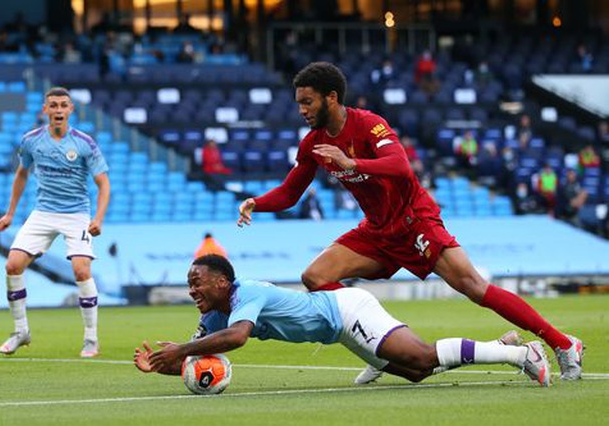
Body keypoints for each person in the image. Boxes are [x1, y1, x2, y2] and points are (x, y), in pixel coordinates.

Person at [236, 62, 582, 383]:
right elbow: (291, 191)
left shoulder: (369, 124)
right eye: (299, 103)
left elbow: (400, 166)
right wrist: (258, 203)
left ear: (332, 97)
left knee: (474, 287)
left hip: (415, 221)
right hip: (377, 231)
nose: (302, 110)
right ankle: (379, 344)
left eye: (308, 102)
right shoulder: (313, 143)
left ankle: (562, 343)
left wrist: (353, 164)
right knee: (315, 276)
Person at [134, 255, 551, 387]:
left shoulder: (248, 292)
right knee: (418, 374)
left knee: (422, 358)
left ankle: (520, 353)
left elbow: (237, 338)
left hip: (347, 310)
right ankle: (500, 343)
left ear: (223, 281)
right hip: (339, 333)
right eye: (190, 285)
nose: (193, 291)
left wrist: (184, 349)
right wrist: (158, 365)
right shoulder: (212, 314)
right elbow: (188, 360)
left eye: (198, 283)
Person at [0, 87, 110, 358]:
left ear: (71, 110)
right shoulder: (31, 141)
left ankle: (91, 339)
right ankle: (21, 331)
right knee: (12, 265)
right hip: (43, 213)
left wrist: (98, 218)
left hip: (76, 215)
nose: (58, 110)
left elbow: (103, 184)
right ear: (45, 110)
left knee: (81, 271)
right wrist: (10, 214)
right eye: (53, 105)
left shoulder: (84, 143)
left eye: (63, 105)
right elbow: (21, 174)